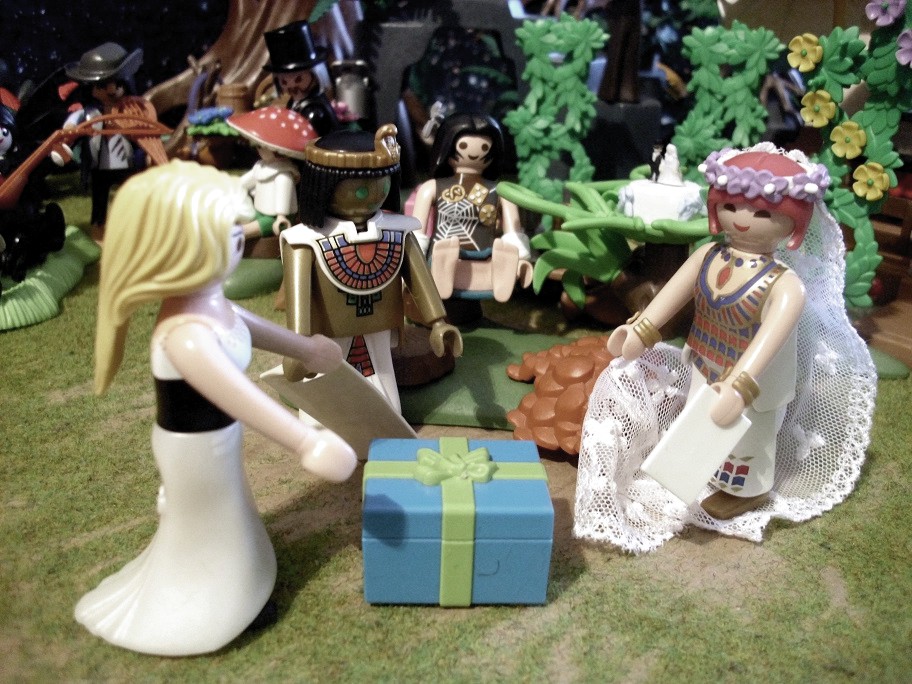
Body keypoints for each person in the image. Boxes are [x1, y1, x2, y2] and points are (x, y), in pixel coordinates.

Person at [77, 160, 356, 656]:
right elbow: (237, 396)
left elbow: (249, 326)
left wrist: (306, 349)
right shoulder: (186, 336)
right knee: (210, 523)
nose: (241, 238)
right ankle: (214, 605)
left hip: (217, 443)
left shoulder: (212, 304)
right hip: (195, 450)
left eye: (235, 228)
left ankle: (242, 586)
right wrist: (304, 441)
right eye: (223, 234)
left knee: (231, 514)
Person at [574, 142, 876, 551]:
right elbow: (672, 294)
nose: (744, 219)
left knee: (751, 436)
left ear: (793, 223)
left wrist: (740, 385)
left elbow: (771, 337)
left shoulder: (786, 285)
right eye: (733, 206)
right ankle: (706, 470)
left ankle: (750, 489)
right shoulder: (707, 254)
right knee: (701, 419)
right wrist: (641, 331)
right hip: (705, 358)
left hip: (756, 380)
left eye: (763, 213)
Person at [280, 124, 462, 414]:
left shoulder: (399, 232)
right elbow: (299, 296)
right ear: (324, 186)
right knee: (329, 385)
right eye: (362, 188)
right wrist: (300, 343)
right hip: (329, 331)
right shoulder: (304, 240)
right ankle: (327, 424)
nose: (374, 194)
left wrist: (438, 322)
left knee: (382, 379)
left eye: (383, 185)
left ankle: (385, 417)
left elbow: (419, 278)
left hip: (378, 329)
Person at [410, 113, 532, 306]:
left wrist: (520, 257)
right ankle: (442, 274)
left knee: (502, 254)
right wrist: (414, 259)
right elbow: (418, 232)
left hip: (486, 256)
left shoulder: (500, 192)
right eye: (463, 146)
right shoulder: (431, 188)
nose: (474, 153)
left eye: (485, 147)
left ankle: (503, 270)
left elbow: (513, 234)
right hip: (444, 254)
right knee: (444, 255)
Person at [63, 42, 144, 238]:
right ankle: (99, 231)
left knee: (131, 197)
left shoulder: (131, 111)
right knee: (99, 200)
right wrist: (71, 128)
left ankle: (133, 229)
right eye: (103, 85)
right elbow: (72, 124)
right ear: (92, 88)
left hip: (125, 164)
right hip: (100, 166)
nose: (112, 90)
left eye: (117, 84)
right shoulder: (89, 113)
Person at [263, 19, 340, 136]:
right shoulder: (293, 103)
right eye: (284, 81)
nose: (291, 86)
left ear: (316, 75)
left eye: (298, 79)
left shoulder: (315, 111)